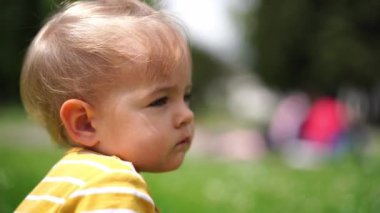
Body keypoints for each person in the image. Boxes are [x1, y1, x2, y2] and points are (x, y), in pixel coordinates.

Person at [16, 0, 194, 212]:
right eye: (160, 101)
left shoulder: (72, 180)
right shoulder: (115, 187)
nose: (186, 115)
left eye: (186, 96)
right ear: (85, 123)